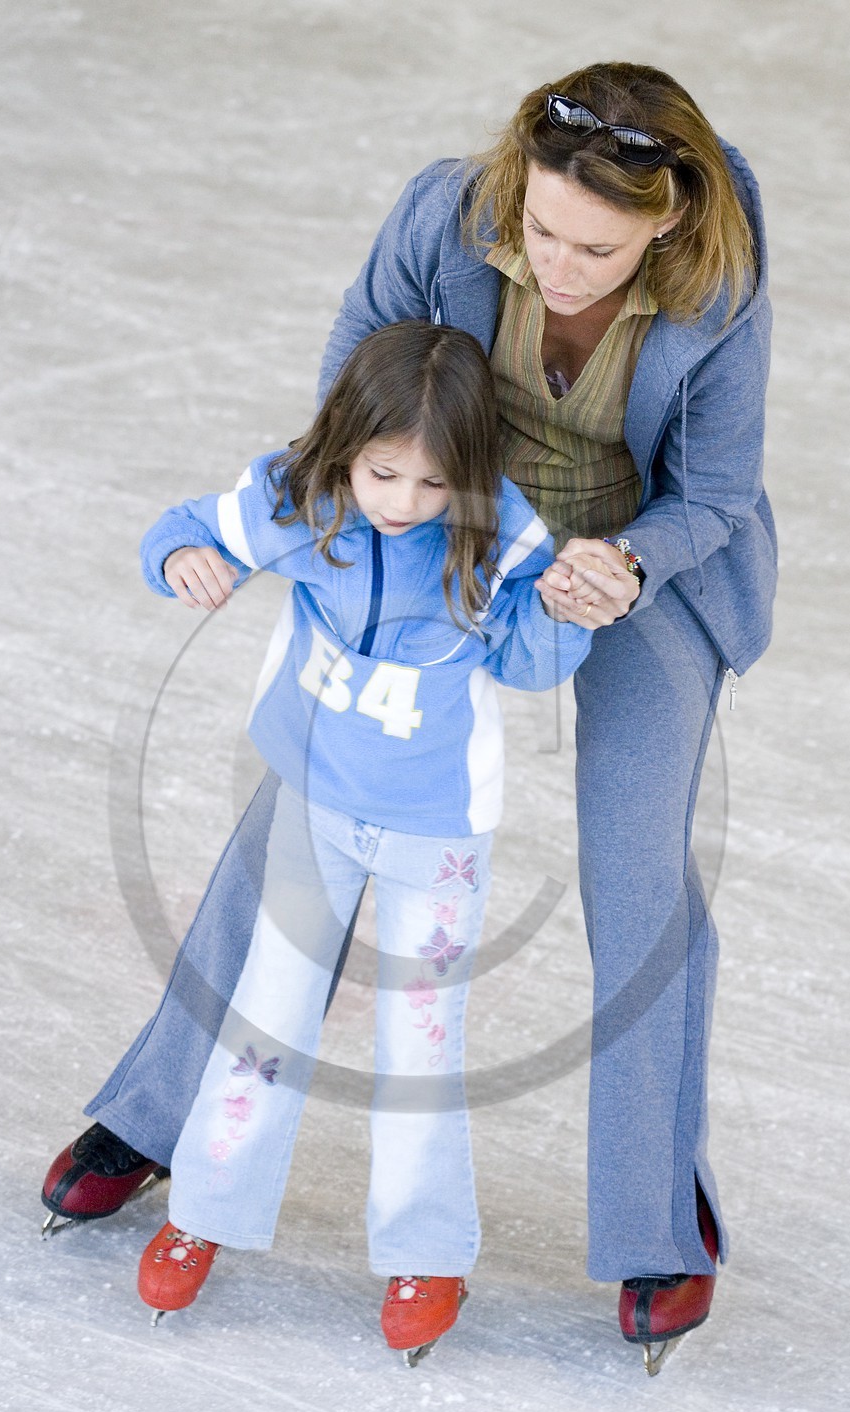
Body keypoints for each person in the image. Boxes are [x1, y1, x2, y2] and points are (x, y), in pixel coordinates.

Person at [41, 62, 775, 1374]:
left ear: (660, 222)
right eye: (539, 229)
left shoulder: (718, 269)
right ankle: (159, 1119)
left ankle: (657, 1217)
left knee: (632, 863)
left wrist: (622, 566)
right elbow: (356, 370)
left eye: (593, 247)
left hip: (627, 556)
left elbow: (714, 487)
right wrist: (348, 512)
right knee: (306, 819)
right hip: (438, 515)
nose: (556, 261)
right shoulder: (447, 212)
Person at [90, 320, 592, 1357]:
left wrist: (565, 608)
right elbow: (183, 527)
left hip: (436, 833)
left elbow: (534, 667)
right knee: (267, 1017)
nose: (401, 503)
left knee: (418, 1045)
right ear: (345, 447)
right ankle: (205, 1213)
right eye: (382, 473)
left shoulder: (501, 536)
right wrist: (180, 556)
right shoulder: (299, 499)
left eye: (429, 484)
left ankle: (427, 1248)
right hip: (316, 808)